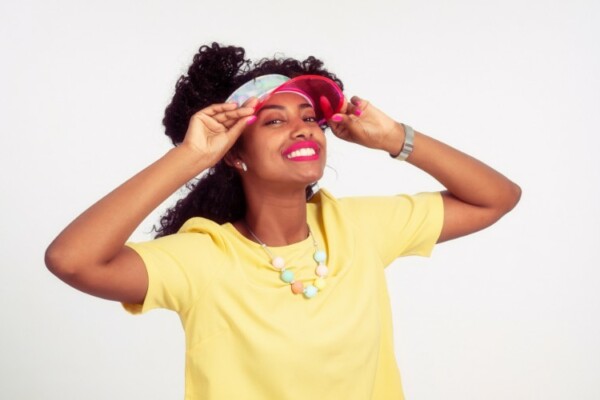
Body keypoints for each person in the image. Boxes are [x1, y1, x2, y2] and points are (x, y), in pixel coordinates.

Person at [45, 42, 521, 399]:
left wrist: (396, 137)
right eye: (274, 120)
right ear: (235, 154)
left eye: (309, 116)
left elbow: (496, 198)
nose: (301, 128)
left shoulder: (358, 227)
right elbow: (71, 260)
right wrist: (191, 156)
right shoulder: (204, 258)